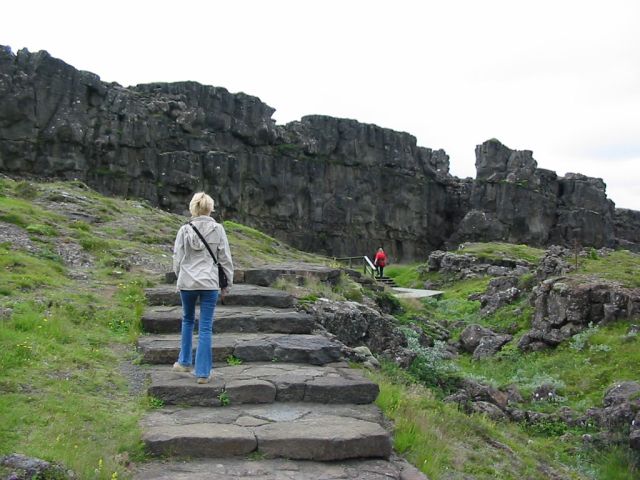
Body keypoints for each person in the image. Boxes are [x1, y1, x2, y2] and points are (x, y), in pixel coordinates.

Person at [172, 192, 234, 384]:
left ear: (193, 208)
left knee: (187, 320)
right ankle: (203, 373)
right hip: (209, 282)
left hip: (187, 282)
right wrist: (227, 284)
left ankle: (184, 362)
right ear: (210, 209)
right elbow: (225, 259)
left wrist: (179, 276)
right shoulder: (218, 229)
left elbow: (177, 258)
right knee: (205, 327)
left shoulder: (184, 230)